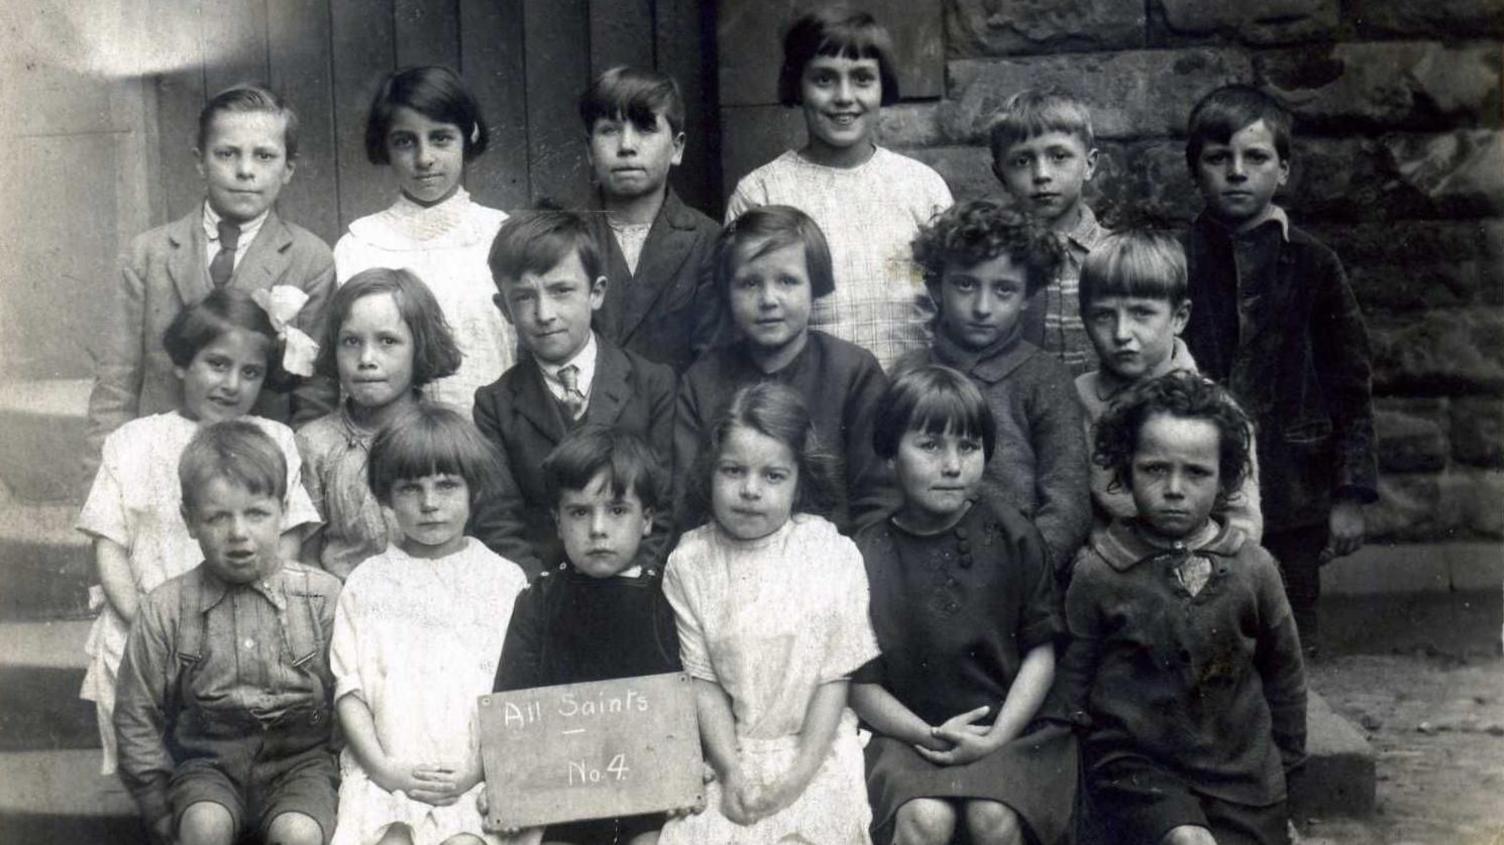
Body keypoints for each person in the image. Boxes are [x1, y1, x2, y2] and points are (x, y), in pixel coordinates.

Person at [78, 289, 321, 775]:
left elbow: (287, 542)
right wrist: (149, 624)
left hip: (249, 623)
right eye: (217, 364)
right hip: (146, 627)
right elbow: (110, 547)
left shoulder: (275, 440)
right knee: (159, 760)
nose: (232, 384)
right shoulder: (135, 441)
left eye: (250, 372)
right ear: (184, 363)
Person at [1060, 371, 1307, 845]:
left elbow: (1286, 677)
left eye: (1196, 473)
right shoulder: (1100, 571)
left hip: (1241, 777)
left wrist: (1288, 778)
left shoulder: (1253, 569)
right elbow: (1072, 687)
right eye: (1155, 469)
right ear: (1126, 468)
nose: (1174, 488)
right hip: (1135, 771)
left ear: (1226, 477)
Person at [1181, 84, 1377, 651]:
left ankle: (1293, 728)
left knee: (1289, 632)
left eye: (1256, 157)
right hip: (1200, 482)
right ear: (1197, 171)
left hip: (1295, 482)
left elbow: (1350, 383)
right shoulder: (1177, 259)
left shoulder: (1314, 264)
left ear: (1283, 170)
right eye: (1218, 159)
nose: (1236, 172)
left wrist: (1349, 494)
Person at [851, 366, 1076, 845]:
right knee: (922, 820)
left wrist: (997, 736)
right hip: (906, 734)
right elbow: (859, 682)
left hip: (1012, 728)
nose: (952, 465)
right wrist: (926, 733)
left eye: (968, 447)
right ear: (891, 454)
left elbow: (1041, 651)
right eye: (930, 446)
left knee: (993, 818)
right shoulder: (866, 553)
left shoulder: (1012, 533)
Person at [659, 382, 878, 844]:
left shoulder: (831, 553)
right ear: (710, 472)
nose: (750, 491)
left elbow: (833, 681)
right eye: (733, 471)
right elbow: (703, 683)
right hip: (728, 751)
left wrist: (797, 777)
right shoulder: (690, 561)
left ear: (799, 481)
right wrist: (732, 770)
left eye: (773, 475)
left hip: (816, 751)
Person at [114, 421, 341, 845]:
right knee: (204, 826)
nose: (239, 534)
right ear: (189, 520)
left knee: (298, 835)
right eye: (218, 517)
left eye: (256, 513)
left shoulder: (322, 597)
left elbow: (351, 696)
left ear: (283, 510)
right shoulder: (166, 609)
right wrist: (157, 806)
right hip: (208, 767)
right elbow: (135, 712)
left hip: (301, 765)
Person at [87, 84, 335, 462]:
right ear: (200, 161)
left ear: (288, 169)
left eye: (265, 156)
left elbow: (314, 396)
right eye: (227, 154)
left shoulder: (311, 259)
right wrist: (100, 483)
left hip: (258, 473)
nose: (246, 170)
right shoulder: (148, 254)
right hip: (160, 462)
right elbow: (115, 386)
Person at [330, 404, 528, 845]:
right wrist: (384, 769)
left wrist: (479, 769)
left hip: (474, 771)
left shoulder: (503, 580)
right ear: (385, 496)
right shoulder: (368, 582)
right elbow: (351, 692)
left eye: (446, 485)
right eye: (410, 489)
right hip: (389, 769)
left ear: (474, 491)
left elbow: (515, 693)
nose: (429, 503)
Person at [725, 6, 952, 371]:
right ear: (797, 85)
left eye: (862, 78)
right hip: (808, 406)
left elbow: (951, 309)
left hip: (911, 403)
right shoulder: (762, 192)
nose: (844, 96)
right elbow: (746, 319)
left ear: (883, 87)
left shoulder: (923, 189)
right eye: (824, 79)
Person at [492, 428, 683, 844]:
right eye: (579, 513)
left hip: (645, 795)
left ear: (647, 519)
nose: (598, 529)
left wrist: (689, 765)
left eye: (617, 511)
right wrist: (510, 784)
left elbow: (683, 701)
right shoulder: (539, 601)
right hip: (561, 794)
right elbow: (512, 700)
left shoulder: (664, 600)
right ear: (557, 523)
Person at [473, 210, 676, 578]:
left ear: (596, 293)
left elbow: (664, 505)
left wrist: (636, 577)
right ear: (504, 308)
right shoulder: (495, 404)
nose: (544, 313)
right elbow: (498, 521)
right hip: (544, 592)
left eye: (561, 290)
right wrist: (541, 589)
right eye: (523, 297)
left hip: (636, 587)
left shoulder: (652, 384)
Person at [675, 205, 893, 534]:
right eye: (749, 284)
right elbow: (688, 502)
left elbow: (878, 502)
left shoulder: (853, 372)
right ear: (726, 291)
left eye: (787, 281)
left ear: (814, 285)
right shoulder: (702, 380)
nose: (768, 299)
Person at [904, 199, 1091, 578]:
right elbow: (884, 486)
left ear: (1027, 296)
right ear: (936, 286)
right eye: (966, 285)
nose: (983, 307)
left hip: (1018, 577)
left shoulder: (1044, 378)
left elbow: (1067, 500)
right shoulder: (908, 374)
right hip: (923, 574)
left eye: (1004, 290)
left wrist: (1026, 574)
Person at [333, 65, 513, 414]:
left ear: (469, 135)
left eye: (441, 138)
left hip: (491, 437)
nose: (424, 158)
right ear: (385, 146)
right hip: (390, 440)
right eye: (405, 142)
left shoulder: (501, 234)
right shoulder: (359, 246)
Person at [1075, 227, 1262, 539]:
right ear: (1084, 319)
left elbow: (1241, 522)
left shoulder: (1216, 409)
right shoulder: (1075, 399)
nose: (1122, 333)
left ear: (1179, 317)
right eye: (1104, 316)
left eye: (1141, 314)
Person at [297, 268, 462, 578]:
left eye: (387, 341)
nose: (367, 358)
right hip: (345, 609)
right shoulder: (313, 444)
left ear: (420, 346)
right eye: (351, 342)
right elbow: (307, 559)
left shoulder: (449, 433)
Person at [576, 66, 723, 374]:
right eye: (610, 130)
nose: (626, 145)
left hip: (680, 418)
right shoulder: (563, 237)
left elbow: (713, 366)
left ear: (677, 148)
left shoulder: (708, 241)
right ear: (589, 150)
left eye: (645, 128)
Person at [989, 90, 1107, 376]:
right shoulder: (992, 258)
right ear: (1000, 174)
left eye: (1059, 156)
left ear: (1089, 165)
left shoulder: (1116, 253)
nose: (1041, 174)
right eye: (1021, 161)